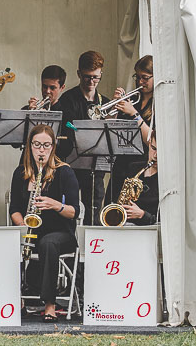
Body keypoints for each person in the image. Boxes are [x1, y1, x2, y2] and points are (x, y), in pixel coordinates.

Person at [9, 125, 79, 321]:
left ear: (53, 147)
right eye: (37, 145)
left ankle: (50, 304)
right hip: (30, 230)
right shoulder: (20, 173)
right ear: (29, 146)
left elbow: (74, 211)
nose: (41, 150)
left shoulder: (64, 172)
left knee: (48, 243)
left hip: (60, 232)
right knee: (5, 240)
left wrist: (55, 205)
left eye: (46, 145)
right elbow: (14, 208)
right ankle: (12, 299)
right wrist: (23, 224)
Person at [57, 50, 111, 224]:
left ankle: (90, 245)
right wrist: (77, 129)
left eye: (96, 77)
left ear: (101, 74)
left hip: (96, 165)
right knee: (69, 207)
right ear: (79, 73)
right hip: (72, 162)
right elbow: (65, 125)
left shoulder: (106, 102)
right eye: (87, 77)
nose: (91, 82)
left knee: (94, 208)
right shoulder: (67, 99)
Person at [105, 55, 154, 205]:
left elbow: (151, 140)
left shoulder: (157, 104)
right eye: (137, 77)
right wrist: (115, 106)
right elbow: (108, 128)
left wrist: (134, 114)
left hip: (140, 165)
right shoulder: (133, 99)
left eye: (145, 78)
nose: (140, 82)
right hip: (121, 163)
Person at [118, 130, 159, 226]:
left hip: (151, 231)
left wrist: (142, 215)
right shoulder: (133, 168)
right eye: (153, 148)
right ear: (149, 144)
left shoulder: (167, 179)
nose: (155, 155)